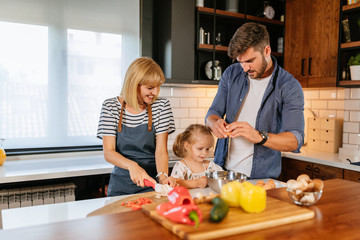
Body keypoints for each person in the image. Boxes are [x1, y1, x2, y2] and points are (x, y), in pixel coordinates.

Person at [205, 22, 304, 179]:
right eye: (240, 61)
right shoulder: (231, 74)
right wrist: (214, 123)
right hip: (223, 174)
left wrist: (259, 136)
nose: (244, 68)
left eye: (250, 61)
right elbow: (213, 113)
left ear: (267, 51)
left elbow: (295, 139)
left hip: (260, 180)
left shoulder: (289, 86)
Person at [97, 57, 176, 196]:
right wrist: (132, 166)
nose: (155, 92)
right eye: (150, 88)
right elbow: (108, 152)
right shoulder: (110, 107)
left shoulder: (162, 106)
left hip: (152, 185)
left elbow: (161, 151)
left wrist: (163, 177)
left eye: (158, 86)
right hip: (120, 186)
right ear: (133, 84)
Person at [171, 124, 223, 188]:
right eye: (200, 148)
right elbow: (174, 183)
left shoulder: (210, 166)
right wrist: (197, 183)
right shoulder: (181, 166)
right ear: (187, 146)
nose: (204, 153)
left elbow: (223, 177)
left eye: (207, 149)